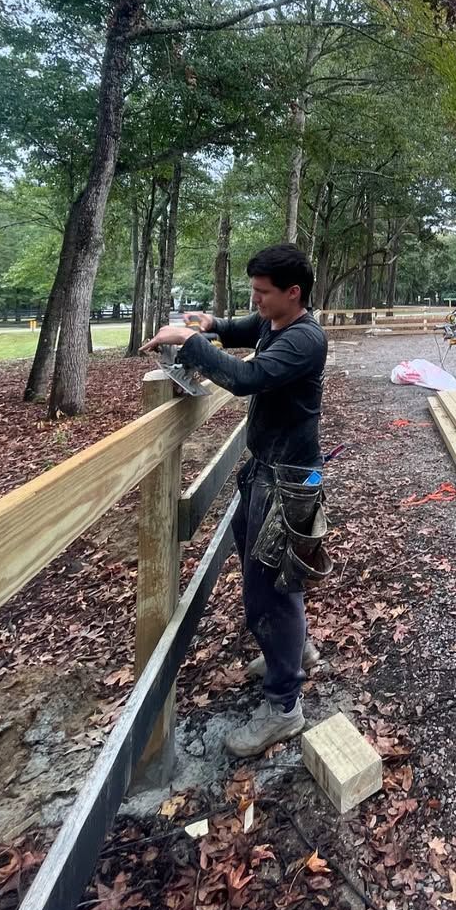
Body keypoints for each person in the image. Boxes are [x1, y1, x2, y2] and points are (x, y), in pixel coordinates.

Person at [141, 244, 327, 757]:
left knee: (268, 589)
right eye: (253, 291)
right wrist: (213, 323)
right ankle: (293, 652)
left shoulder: (305, 340)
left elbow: (245, 379)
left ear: (294, 293)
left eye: (263, 293)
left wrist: (188, 340)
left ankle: (284, 706)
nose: (256, 301)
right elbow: (245, 329)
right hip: (266, 471)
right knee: (267, 571)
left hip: (287, 481)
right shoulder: (277, 323)